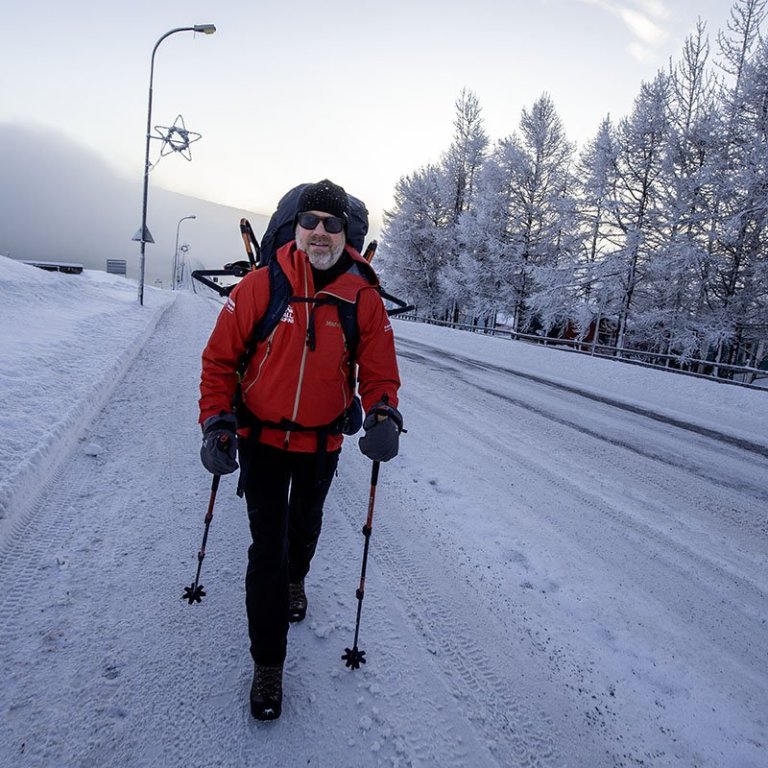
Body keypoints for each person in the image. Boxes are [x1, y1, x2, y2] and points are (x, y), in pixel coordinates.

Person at [198, 179, 402, 721]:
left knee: (305, 527)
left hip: (321, 441)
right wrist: (216, 421)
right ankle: (268, 663)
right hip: (261, 440)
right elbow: (219, 361)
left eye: (331, 224)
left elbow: (380, 371)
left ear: (345, 234)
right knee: (267, 547)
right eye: (310, 221)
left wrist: (383, 412)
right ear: (296, 227)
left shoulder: (362, 296)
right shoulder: (261, 286)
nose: (319, 232)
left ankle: (297, 580)